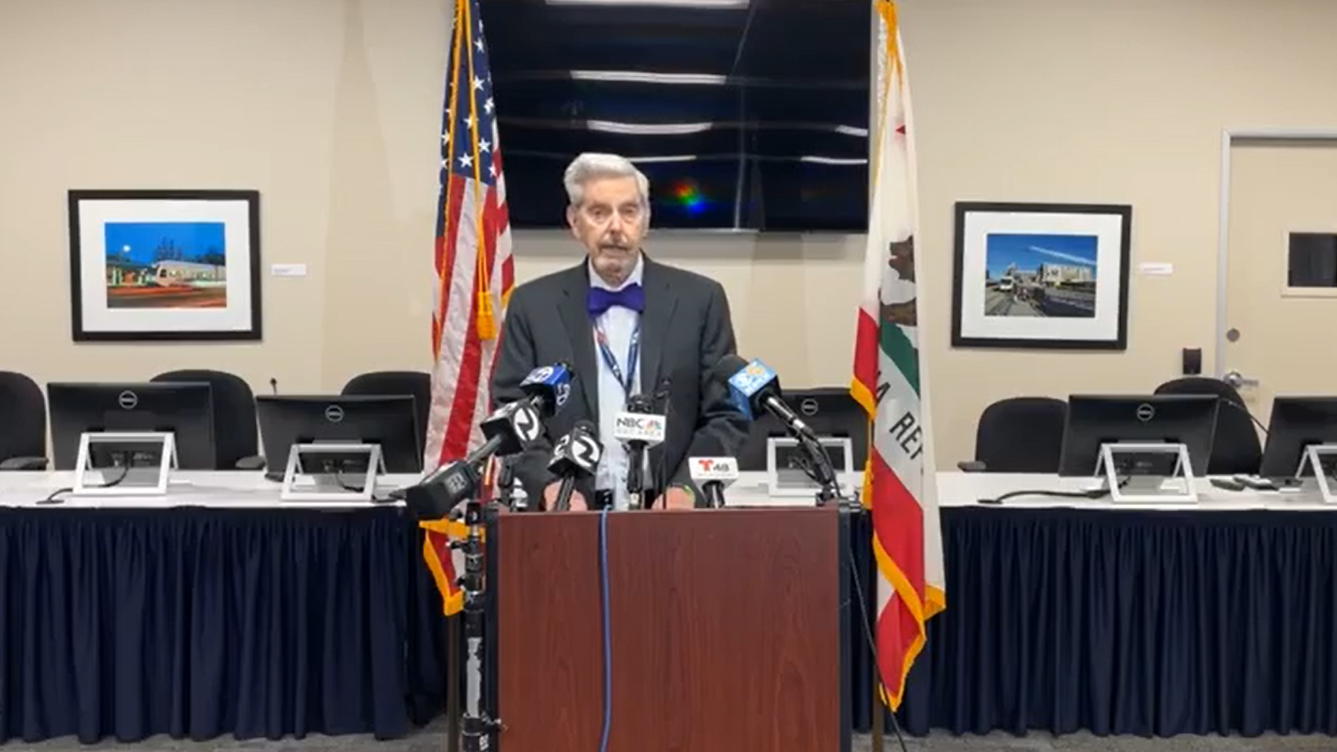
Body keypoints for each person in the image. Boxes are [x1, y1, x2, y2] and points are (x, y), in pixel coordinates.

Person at [491, 152, 749, 511]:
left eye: (629, 211)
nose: (616, 227)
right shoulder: (532, 305)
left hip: (670, 516)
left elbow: (726, 414)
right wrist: (551, 488)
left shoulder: (701, 300)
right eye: (599, 213)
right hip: (568, 516)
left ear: (646, 220)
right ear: (574, 221)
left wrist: (688, 489)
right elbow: (512, 410)